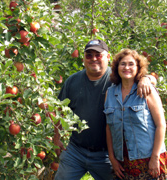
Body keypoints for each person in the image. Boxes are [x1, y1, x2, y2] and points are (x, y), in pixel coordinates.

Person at [54, 40, 154, 180]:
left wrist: (146, 79)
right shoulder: (72, 81)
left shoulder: (117, 79)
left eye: (98, 55)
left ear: (108, 57)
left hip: (107, 155)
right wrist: (56, 138)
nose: (93, 59)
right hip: (76, 150)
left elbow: (136, 75)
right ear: (83, 58)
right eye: (89, 55)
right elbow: (59, 110)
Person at [104, 49, 167, 180]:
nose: (126, 67)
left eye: (131, 64)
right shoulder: (110, 93)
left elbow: (161, 125)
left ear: (138, 68)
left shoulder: (147, 90)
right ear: (116, 68)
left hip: (149, 158)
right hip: (123, 161)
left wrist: (155, 157)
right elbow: (108, 127)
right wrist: (112, 157)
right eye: (122, 64)